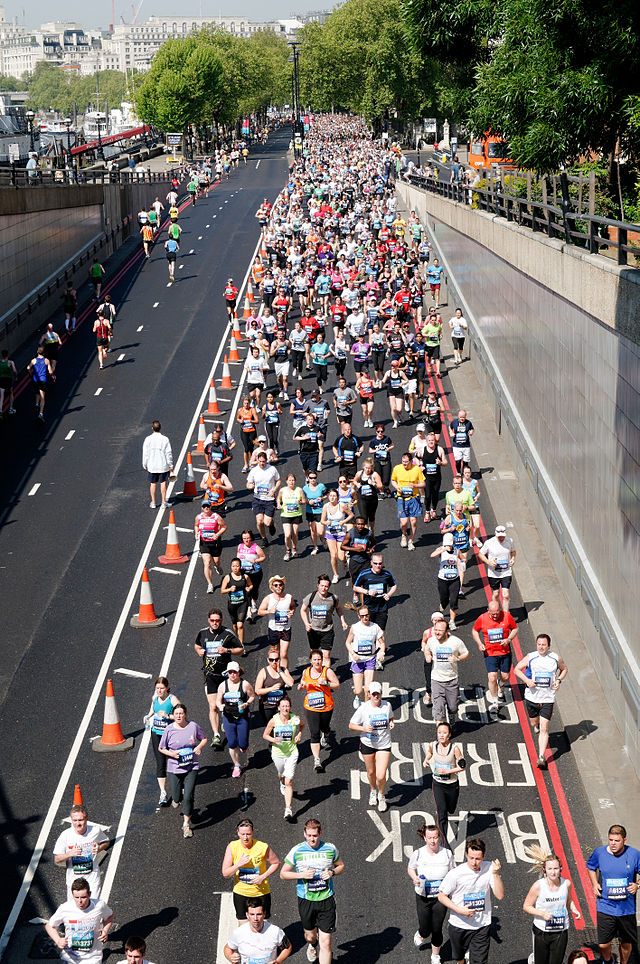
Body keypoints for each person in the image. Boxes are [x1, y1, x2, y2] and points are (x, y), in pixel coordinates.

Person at [281, 819, 345, 964]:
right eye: (309, 835)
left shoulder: (330, 848)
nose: (312, 839)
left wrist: (332, 873)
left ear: (320, 833)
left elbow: (341, 866)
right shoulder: (297, 850)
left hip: (326, 899)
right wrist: (301, 875)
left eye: (315, 835)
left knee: (326, 943)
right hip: (306, 900)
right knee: (310, 936)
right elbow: (283, 874)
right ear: (304, 834)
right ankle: (311, 944)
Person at [438, 837, 504, 964]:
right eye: (471, 858)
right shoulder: (456, 874)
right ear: (466, 855)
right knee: (458, 956)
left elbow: (500, 895)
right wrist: (460, 910)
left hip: (481, 925)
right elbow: (441, 896)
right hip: (459, 924)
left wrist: (495, 874)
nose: (474, 862)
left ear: (483, 857)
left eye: (478, 859)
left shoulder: (490, 869)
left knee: (479, 961)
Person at [586, 825, 640, 964]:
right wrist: (594, 883)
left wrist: (637, 885)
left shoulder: (634, 854)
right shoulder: (599, 853)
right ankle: (608, 960)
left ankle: (623, 962)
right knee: (603, 944)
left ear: (624, 840)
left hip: (626, 908)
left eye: (617, 840)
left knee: (626, 942)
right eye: (610, 840)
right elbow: (591, 867)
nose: (613, 844)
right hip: (605, 906)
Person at [514, 633, 568, 769]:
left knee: (544, 728)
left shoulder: (555, 658)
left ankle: (541, 757)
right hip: (531, 697)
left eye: (544, 645)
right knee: (534, 722)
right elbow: (517, 669)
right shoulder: (531, 657)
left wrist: (558, 680)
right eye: (539, 644)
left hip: (547, 698)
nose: (541, 647)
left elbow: (564, 669)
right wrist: (527, 681)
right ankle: (535, 725)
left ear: (548, 646)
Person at [194, 609, 245, 749]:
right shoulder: (203, 633)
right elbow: (197, 644)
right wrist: (199, 651)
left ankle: (226, 718)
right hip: (210, 675)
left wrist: (227, 650)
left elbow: (241, 649)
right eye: (212, 620)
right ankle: (216, 735)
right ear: (208, 620)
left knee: (225, 703)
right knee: (213, 706)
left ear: (221, 620)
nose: (215, 623)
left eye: (217, 620)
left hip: (225, 675)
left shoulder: (227, 634)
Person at [523, 846, 581, 964]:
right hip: (541, 930)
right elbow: (526, 906)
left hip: (561, 930)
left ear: (561, 868)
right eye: (550, 869)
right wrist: (542, 913)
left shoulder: (567, 884)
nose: (553, 872)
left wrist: (574, 908)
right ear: (544, 870)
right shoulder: (538, 886)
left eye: (556, 868)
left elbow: (569, 900)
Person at [158, 703, 207, 838]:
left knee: (188, 796)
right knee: (176, 797)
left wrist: (199, 748)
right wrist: (172, 754)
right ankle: (177, 799)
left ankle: (186, 824)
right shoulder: (169, 729)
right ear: (173, 716)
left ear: (185, 714)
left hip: (191, 766)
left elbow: (204, 738)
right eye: (176, 714)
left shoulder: (193, 726)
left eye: (181, 713)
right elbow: (161, 748)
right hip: (174, 767)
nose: (179, 716)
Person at [407, 823, 456, 957]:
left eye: (435, 837)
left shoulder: (447, 854)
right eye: (430, 838)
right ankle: (422, 934)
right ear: (425, 838)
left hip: (440, 897)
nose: (433, 841)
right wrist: (415, 878)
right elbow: (411, 868)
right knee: (425, 927)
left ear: (439, 837)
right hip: (423, 896)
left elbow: (453, 872)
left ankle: (435, 956)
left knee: (437, 927)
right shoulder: (418, 853)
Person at [348, 680, 394, 811]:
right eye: (373, 694)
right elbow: (351, 725)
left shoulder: (387, 705)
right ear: (368, 694)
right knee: (371, 772)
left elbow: (391, 717)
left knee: (380, 774)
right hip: (367, 743)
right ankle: (373, 791)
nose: (376, 697)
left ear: (381, 694)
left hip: (383, 744)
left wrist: (391, 723)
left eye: (378, 694)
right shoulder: (363, 708)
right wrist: (363, 728)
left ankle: (381, 795)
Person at [221, 821, 281, 922]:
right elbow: (225, 873)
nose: (245, 837)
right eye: (242, 834)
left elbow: (276, 863)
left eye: (248, 834)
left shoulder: (262, 847)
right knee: (244, 928)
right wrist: (238, 864)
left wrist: (263, 876)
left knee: (263, 926)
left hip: (261, 892)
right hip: (241, 893)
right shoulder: (232, 847)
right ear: (238, 833)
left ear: (252, 832)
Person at [45, 878, 113, 964]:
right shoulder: (65, 908)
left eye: (83, 897)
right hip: (70, 958)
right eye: (76, 897)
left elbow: (109, 917)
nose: (80, 901)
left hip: (93, 958)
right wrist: (58, 940)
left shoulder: (99, 906)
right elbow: (49, 926)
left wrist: (105, 930)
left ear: (89, 894)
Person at [53, 805, 110, 900]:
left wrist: (99, 848)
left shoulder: (95, 831)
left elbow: (106, 842)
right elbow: (57, 859)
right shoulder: (65, 835)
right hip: (73, 881)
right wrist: (70, 854)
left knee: (93, 908)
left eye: (80, 820)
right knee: (74, 910)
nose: (77, 823)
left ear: (86, 819)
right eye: (74, 820)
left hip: (92, 878)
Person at [263, 695, 305, 821]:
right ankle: (281, 781)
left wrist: (299, 735)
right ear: (279, 708)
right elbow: (265, 735)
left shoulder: (295, 719)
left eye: (287, 706)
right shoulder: (274, 720)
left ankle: (288, 809)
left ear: (290, 707)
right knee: (281, 775)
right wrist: (273, 739)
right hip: (278, 753)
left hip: (292, 752)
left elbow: (302, 726)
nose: (285, 708)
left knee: (289, 781)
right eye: (283, 706)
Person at [424, 721, 466, 843]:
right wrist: (426, 760)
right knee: (441, 813)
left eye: (444, 733)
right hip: (438, 784)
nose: (441, 735)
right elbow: (430, 753)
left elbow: (462, 766)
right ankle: (443, 842)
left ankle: (449, 809)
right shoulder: (432, 745)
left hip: (452, 785)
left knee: (451, 809)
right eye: (439, 732)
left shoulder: (454, 748)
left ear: (449, 735)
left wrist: (449, 771)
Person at [472, 600, 518, 713]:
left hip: (504, 652)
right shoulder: (482, 618)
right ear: (488, 611)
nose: (496, 615)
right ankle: (495, 702)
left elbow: (515, 628)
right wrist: (479, 644)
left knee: (506, 677)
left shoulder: (507, 616)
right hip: (490, 653)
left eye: (497, 612)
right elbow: (474, 630)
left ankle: (501, 685)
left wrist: (509, 639)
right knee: (492, 677)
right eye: (493, 614)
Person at [298, 650, 340, 773]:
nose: (317, 662)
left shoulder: (327, 671)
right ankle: (317, 760)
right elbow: (302, 683)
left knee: (324, 727)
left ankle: (326, 733)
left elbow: (337, 685)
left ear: (322, 660)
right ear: (311, 660)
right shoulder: (306, 671)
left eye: (319, 659)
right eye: (314, 659)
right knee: (314, 733)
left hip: (326, 706)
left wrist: (326, 683)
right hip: (311, 706)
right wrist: (301, 686)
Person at [424, 618, 469, 725]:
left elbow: (466, 653)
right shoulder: (431, 640)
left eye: (440, 631)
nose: (437, 633)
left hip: (451, 680)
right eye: (435, 630)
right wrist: (427, 656)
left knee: (453, 707)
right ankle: (441, 734)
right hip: (436, 680)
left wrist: (457, 659)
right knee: (438, 710)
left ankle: (452, 715)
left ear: (447, 631)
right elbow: (426, 649)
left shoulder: (456, 642)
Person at [143, 676, 180, 806]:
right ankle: (163, 792)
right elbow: (153, 708)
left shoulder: (172, 699)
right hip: (156, 734)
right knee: (160, 763)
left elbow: (181, 715)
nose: (159, 691)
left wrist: (168, 716)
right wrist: (148, 716)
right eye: (157, 688)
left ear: (167, 688)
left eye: (162, 688)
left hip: (170, 736)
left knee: (173, 761)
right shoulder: (155, 698)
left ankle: (178, 788)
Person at [216, 662, 255, 779]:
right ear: (227, 673)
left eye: (235, 672)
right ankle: (236, 765)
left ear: (239, 672)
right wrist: (221, 706)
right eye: (230, 672)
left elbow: (252, 696)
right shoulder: (223, 685)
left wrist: (246, 703)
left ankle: (243, 746)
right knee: (232, 744)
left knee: (243, 744)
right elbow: (218, 700)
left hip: (242, 717)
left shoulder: (245, 684)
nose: (232, 675)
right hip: (228, 718)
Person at [300, 573, 348, 667]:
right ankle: (315, 675)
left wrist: (343, 621)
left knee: (326, 655)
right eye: (322, 586)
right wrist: (306, 623)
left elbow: (338, 609)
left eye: (326, 586)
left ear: (329, 587)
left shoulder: (333, 598)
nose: (323, 588)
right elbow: (302, 610)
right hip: (313, 630)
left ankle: (325, 677)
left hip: (327, 630)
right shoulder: (311, 596)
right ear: (318, 585)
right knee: (315, 654)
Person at [223, 898, 291, 963]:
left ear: (264, 914)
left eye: (259, 914)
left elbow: (287, 947)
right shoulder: (239, 933)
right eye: (252, 914)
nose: (255, 918)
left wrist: (278, 961)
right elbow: (228, 948)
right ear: (247, 915)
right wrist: (230, 957)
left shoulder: (275, 931)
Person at [258, 575, 296, 669]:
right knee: (274, 654)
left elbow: (293, 607)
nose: (278, 586)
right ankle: (274, 672)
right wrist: (269, 611)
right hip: (273, 629)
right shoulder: (268, 598)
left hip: (285, 629)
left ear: (283, 585)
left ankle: (284, 674)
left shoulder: (289, 597)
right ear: (272, 586)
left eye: (280, 584)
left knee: (283, 654)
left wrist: (292, 612)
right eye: (276, 585)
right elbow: (259, 612)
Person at [353, 553, 397, 631]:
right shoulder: (364, 574)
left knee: (380, 634)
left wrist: (389, 594)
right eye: (375, 563)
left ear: (382, 563)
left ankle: (379, 643)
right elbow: (355, 587)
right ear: (371, 563)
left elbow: (394, 586)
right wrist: (367, 592)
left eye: (380, 563)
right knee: (369, 632)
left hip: (382, 608)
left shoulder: (386, 574)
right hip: (368, 608)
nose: (377, 566)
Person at [478, 525, 517, 614]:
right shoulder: (489, 543)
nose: (501, 538)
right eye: (499, 537)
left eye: (503, 536)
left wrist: (512, 559)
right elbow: (480, 554)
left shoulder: (510, 541)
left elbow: (513, 552)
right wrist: (489, 563)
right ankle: (494, 611)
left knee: (506, 595)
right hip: (494, 573)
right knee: (496, 594)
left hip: (506, 572)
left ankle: (506, 614)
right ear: (495, 534)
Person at [391, 451, 425, 550]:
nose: (404, 463)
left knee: (413, 521)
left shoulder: (417, 469)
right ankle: (404, 534)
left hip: (414, 497)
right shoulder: (397, 468)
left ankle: (411, 540)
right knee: (404, 522)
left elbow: (423, 484)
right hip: (402, 498)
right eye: (403, 461)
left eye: (406, 462)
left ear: (411, 461)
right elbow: (393, 480)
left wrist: (415, 485)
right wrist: (397, 487)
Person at [247, 451, 281, 546]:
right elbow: (248, 483)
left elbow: (278, 481)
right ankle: (264, 538)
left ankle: (271, 524)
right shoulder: (254, 470)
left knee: (267, 522)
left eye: (263, 461)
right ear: (257, 460)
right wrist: (249, 486)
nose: (262, 463)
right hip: (258, 499)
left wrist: (273, 490)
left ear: (266, 460)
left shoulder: (272, 469)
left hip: (269, 499)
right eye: (260, 461)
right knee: (259, 521)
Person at [319, 489, 353, 583]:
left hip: (341, 533)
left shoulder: (341, 505)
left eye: (334, 496)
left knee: (341, 557)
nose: (332, 498)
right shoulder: (326, 506)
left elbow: (351, 515)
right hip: (331, 533)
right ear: (328, 497)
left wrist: (344, 521)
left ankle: (346, 561)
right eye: (331, 496)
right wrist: (326, 522)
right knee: (333, 555)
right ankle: (336, 575)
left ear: (337, 497)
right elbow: (322, 520)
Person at [194, 498, 227, 592]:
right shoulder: (199, 517)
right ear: (202, 508)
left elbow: (224, 527)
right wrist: (196, 533)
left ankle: (217, 566)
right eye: (204, 506)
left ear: (210, 506)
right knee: (207, 563)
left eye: (207, 506)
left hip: (215, 543)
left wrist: (217, 534)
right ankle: (210, 584)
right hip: (204, 543)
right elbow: (196, 525)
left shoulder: (216, 517)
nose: (206, 508)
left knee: (216, 562)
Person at [255, 649, 294, 724]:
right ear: (268, 660)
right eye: (271, 660)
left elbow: (291, 683)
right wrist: (271, 689)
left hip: (281, 705)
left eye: (276, 659)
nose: (274, 662)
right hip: (267, 706)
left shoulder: (283, 669)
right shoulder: (263, 672)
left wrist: (280, 671)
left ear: (279, 659)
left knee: (283, 726)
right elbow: (257, 691)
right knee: (271, 728)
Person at [221, 558, 253, 647]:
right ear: (231, 567)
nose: (235, 568)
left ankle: (241, 646)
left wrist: (248, 588)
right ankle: (237, 638)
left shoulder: (245, 577)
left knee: (240, 625)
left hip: (242, 603)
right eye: (233, 566)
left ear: (240, 566)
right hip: (232, 604)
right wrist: (230, 589)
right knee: (235, 625)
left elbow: (251, 585)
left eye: (237, 566)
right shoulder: (228, 577)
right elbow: (222, 590)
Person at [142, 420, 173, 509]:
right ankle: (164, 502)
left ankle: (154, 502)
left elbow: (145, 453)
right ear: (160, 428)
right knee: (163, 482)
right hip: (163, 465)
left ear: (152, 428)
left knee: (153, 483)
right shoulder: (165, 439)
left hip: (152, 465)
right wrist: (170, 465)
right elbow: (168, 453)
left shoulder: (148, 439)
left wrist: (145, 464)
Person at [237, 529, 266, 619]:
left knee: (254, 590)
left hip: (255, 573)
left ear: (251, 538)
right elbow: (237, 557)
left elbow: (263, 557)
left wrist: (255, 560)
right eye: (244, 538)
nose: (246, 540)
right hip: (244, 573)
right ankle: (248, 611)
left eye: (248, 538)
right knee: (247, 590)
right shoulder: (240, 546)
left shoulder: (256, 547)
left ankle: (254, 602)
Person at [277, 472, 306, 560]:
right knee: (287, 534)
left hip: (296, 514)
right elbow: (278, 498)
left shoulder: (299, 490)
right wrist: (278, 504)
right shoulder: (282, 490)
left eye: (293, 480)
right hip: (286, 514)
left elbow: (304, 501)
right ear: (286, 481)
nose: (291, 482)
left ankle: (294, 547)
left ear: (295, 481)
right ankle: (288, 551)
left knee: (295, 534)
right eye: (290, 480)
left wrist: (300, 502)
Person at [421, 431, 447, 521]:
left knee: (435, 495)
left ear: (435, 441)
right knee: (428, 495)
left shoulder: (439, 449)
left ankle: (434, 510)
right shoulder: (422, 450)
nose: (431, 442)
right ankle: (427, 512)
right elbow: (415, 459)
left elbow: (445, 462)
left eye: (432, 440)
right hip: (426, 477)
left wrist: (441, 463)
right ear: (426, 441)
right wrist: (419, 466)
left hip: (436, 477)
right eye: (429, 440)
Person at [303, 471, 327, 554]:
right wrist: (307, 502)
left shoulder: (321, 486)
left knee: (320, 532)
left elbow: (326, 495)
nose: (313, 479)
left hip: (320, 511)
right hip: (310, 511)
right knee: (313, 531)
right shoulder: (305, 488)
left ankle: (322, 538)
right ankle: (315, 547)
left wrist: (322, 498)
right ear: (308, 478)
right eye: (311, 478)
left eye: (314, 478)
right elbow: (302, 499)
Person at [294, 412, 324, 478]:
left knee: (312, 470)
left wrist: (320, 435)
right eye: (309, 419)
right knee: (305, 469)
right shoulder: (302, 428)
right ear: (306, 420)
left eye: (312, 419)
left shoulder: (317, 428)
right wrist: (303, 438)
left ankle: (311, 482)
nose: (310, 421)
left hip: (314, 452)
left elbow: (322, 434)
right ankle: (307, 477)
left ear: (314, 420)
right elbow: (295, 437)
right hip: (304, 452)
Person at [369, 423, 394, 497]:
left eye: (382, 431)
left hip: (386, 460)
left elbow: (392, 445)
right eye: (378, 431)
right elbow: (370, 450)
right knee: (378, 478)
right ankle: (382, 492)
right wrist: (375, 450)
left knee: (386, 479)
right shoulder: (373, 441)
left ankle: (386, 488)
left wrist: (388, 449)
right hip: (378, 461)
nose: (380, 433)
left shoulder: (387, 439)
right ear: (376, 431)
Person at [28, 345, 52, 421]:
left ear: (37, 352)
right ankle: (41, 413)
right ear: (44, 353)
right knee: (42, 397)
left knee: (36, 393)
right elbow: (50, 371)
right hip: (42, 380)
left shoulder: (33, 360)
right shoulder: (46, 360)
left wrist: (30, 374)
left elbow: (28, 368)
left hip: (35, 380)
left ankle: (36, 404)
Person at [449, 409, 475, 476]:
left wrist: (471, 432)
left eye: (463, 417)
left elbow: (472, 428)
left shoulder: (468, 423)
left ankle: (464, 473)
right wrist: (451, 432)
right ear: (458, 416)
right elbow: (450, 426)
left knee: (465, 462)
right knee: (458, 461)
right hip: (457, 446)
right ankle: (458, 472)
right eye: (461, 417)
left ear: (465, 416)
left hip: (466, 446)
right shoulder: (454, 422)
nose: (462, 419)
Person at [237, 394, 259, 471]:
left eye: (247, 403)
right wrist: (240, 421)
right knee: (246, 448)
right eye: (245, 403)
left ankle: (251, 462)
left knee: (251, 448)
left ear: (249, 403)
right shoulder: (240, 410)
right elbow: (238, 418)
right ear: (243, 403)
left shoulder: (252, 410)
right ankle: (246, 464)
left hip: (252, 431)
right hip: (244, 431)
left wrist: (251, 421)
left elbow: (257, 421)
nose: (246, 405)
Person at [0, 348, 17, 416]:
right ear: (7, 355)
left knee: (1, 396)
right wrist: (16, 377)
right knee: (10, 394)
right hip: (8, 379)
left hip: (1, 379)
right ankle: (11, 409)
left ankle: (0, 410)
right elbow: (15, 371)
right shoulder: (10, 362)